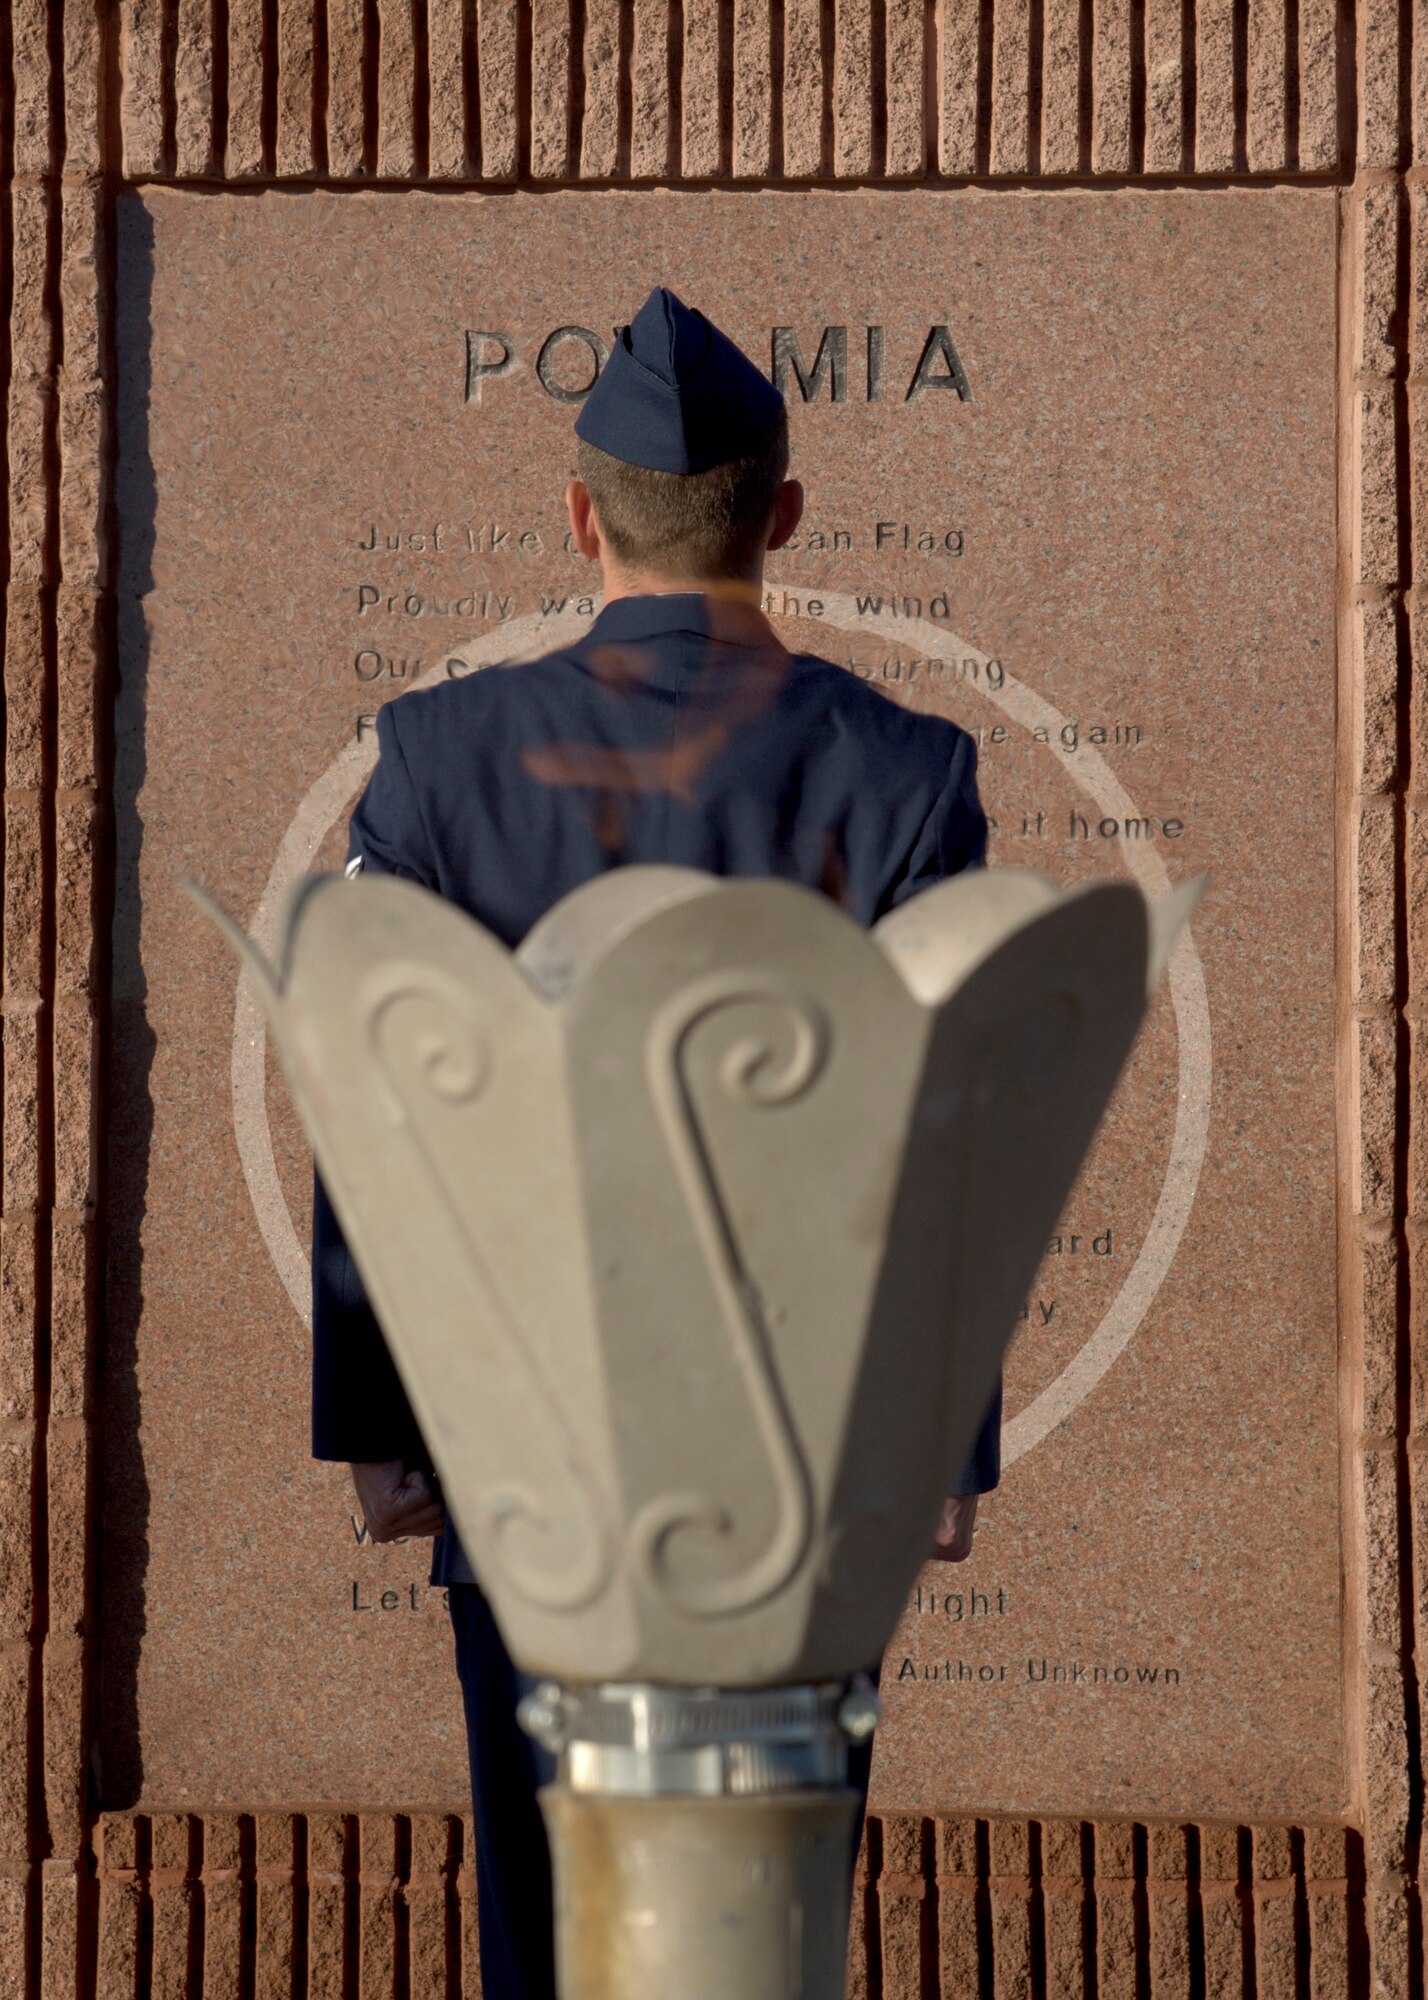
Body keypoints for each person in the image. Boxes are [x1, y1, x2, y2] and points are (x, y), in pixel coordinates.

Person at [311, 286, 1001, 2000]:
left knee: (552, 1946)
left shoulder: (434, 762)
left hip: (532, 1468)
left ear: (578, 518)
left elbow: (375, 1085)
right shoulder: (911, 774)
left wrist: (382, 1432)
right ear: (780, 517)